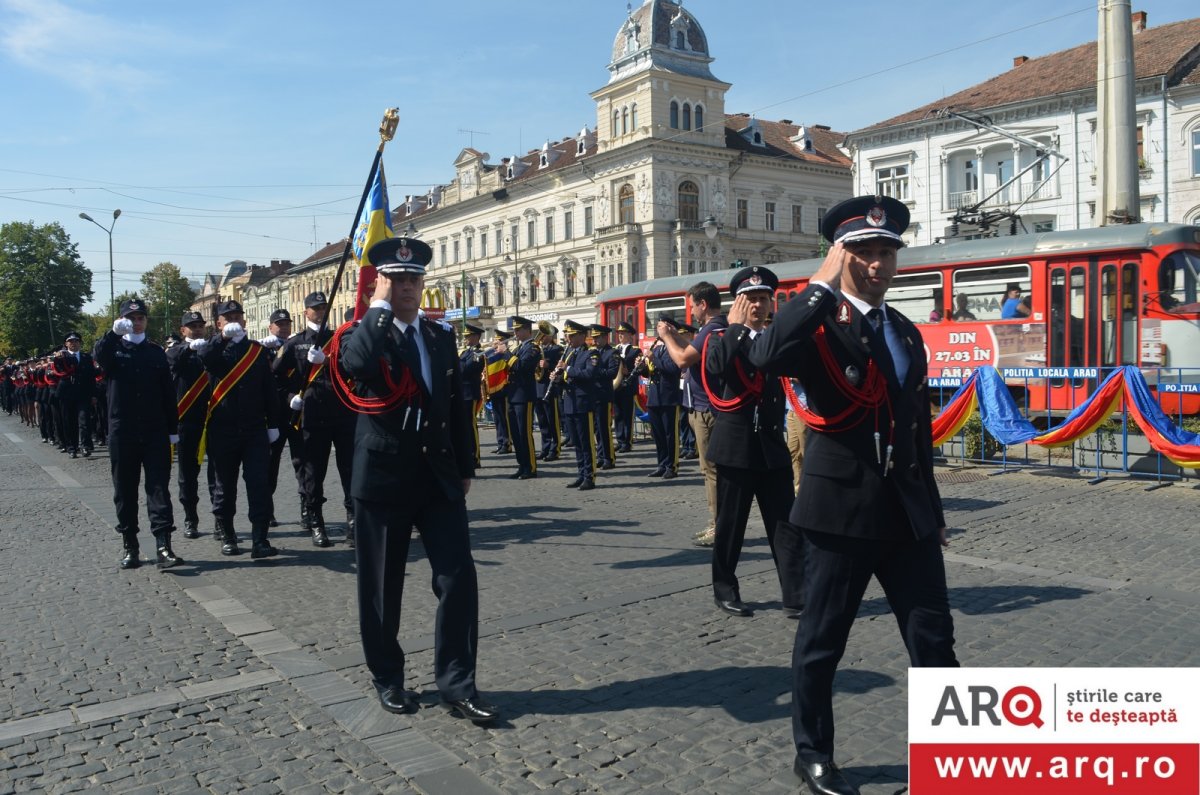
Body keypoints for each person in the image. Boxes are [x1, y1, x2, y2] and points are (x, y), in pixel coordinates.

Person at [749, 195, 957, 795]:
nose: (876, 264)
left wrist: (934, 512)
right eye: (861, 252)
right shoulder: (816, 324)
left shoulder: (905, 331)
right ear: (840, 256)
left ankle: (957, 758)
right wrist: (817, 285)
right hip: (840, 513)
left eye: (885, 252)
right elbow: (764, 355)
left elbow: (915, 428)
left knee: (934, 640)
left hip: (907, 515)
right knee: (822, 643)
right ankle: (812, 753)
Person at [338, 236, 497, 723]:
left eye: (413, 279)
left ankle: (457, 683)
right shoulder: (363, 332)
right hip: (384, 477)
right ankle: (388, 678)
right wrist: (378, 305)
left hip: (437, 477)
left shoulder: (438, 336)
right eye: (397, 279)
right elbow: (359, 365)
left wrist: (466, 465)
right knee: (382, 587)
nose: (408, 286)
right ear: (379, 283)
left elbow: (455, 407)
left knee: (458, 579)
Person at [702, 266, 806, 619]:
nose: (759, 305)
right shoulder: (722, 337)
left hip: (771, 447)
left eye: (764, 298)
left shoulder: (775, 336)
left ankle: (796, 595)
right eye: (751, 299)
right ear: (738, 303)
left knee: (785, 526)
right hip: (736, 447)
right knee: (731, 526)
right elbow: (715, 369)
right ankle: (725, 589)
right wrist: (735, 328)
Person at [93, 298, 183, 570]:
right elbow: (99, 356)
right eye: (130, 317)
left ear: (146, 320)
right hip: (124, 431)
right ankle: (130, 546)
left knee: (159, 489)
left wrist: (172, 429)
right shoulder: (113, 349)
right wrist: (112, 333)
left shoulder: (156, 352)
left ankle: (164, 546)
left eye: (140, 317)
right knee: (125, 491)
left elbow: (168, 393)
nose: (136, 321)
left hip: (154, 430)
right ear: (122, 320)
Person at [192, 299, 281, 559]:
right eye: (226, 317)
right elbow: (206, 359)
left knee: (259, 484)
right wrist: (221, 338)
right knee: (224, 486)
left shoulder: (257, 351)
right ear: (218, 323)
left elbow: (269, 390)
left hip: (254, 429)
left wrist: (273, 423)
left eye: (236, 316)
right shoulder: (213, 350)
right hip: (223, 429)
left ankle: (260, 539)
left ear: (244, 320)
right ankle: (228, 536)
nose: (233, 320)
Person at [276, 292, 356, 547]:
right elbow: (275, 379)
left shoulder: (341, 338)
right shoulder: (294, 343)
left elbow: (354, 367)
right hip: (312, 415)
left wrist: (330, 360)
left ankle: (353, 523)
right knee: (313, 472)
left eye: (323, 307)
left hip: (343, 412)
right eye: (315, 308)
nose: (320, 311)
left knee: (350, 470)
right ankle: (317, 523)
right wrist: (290, 397)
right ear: (306, 311)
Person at [657, 282, 725, 545]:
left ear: (703, 305)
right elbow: (695, 349)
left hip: (706, 410)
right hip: (704, 407)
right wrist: (675, 336)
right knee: (711, 471)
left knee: (712, 472)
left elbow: (684, 359)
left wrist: (666, 337)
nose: (692, 312)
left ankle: (718, 526)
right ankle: (716, 523)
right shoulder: (715, 329)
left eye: (692, 306)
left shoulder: (711, 329)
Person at [166, 310, 213, 540]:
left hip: (213, 417)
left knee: (218, 472)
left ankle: (221, 520)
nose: (196, 329)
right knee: (187, 473)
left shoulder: (209, 348)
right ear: (183, 330)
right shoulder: (176, 350)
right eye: (191, 326)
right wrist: (189, 348)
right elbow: (173, 359)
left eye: (200, 325)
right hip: (187, 419)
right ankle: (190, 518)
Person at [644, 316, 682, 480]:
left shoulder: (676, 348)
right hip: (654, 396)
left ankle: (671, 466)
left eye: (661, 327)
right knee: (658, 434)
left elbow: (672, 369)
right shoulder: (658, 349)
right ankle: (662, 464)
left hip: (669, 397)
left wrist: (654, 359)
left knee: (669, 434)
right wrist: (642, 366)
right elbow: (651, 373)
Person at [504, 315, 541, 480]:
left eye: (518, 330)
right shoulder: (518, 348)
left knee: (524, 433)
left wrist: (505, 353)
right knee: (516, 434)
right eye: (515, 330)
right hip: (513, 395)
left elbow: (522, 367)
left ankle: (530, 466)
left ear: (527, 330)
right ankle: (522, 465)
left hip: (524, 396)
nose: (516, 333)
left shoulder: (533, 347)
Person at [589, 324, 619, 470]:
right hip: (593, 395)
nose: (595, 340)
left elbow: (612, 372)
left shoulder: (612, 353)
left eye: (597, 337)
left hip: (604, 395)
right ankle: (601, 455)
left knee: (604, 428)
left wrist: (595, 371)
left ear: (604, 337)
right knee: (596, 428)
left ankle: (609, 457)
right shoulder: (592, 352)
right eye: (594, 337)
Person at [533, 322, 563, 462]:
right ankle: (545, 448)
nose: (542, 336)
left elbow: (560, 368)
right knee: (543, 422)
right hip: (538, 388)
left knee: (553, 420)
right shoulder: (537, 349)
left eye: (545, 334)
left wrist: (548, 365)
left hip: (550, 388)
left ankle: (555, 449)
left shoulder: (557, 349)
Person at [458, 322, 487, 468]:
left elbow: (464, 369)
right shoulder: (465, 352)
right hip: (462, 393)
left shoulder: (478, 353)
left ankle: (475, 457)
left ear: (476, 337)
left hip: (470, 393)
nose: (465, 339)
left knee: (471, 425)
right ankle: (467, 454)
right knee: (464, 426)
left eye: (468, 336)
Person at [611, 322, 640, 453]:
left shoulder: (635, 350)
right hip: (617, 387)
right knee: (618, 415)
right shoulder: (614, 349)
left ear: (630, 335)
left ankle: (627, 442)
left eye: (623, 333)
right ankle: (620, 439)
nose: (620, 335)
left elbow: (638, 368)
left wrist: (629, 371)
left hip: (628, 387)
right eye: (619, 333)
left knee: (627, 415)